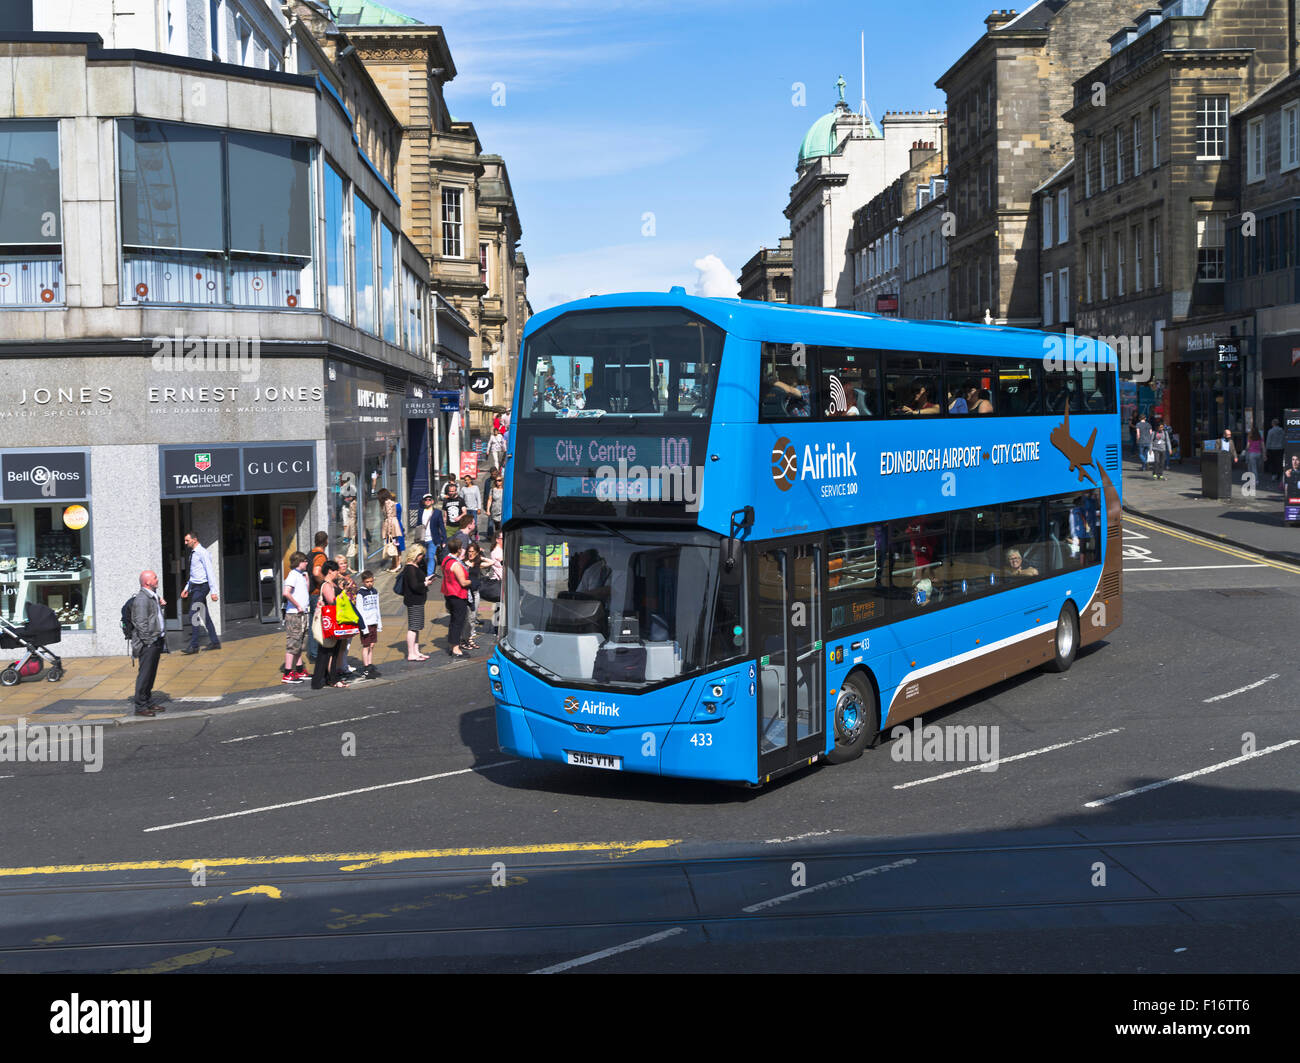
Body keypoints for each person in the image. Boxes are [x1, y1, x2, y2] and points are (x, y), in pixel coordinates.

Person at [130, 569, 168, 716]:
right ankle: (140, 706)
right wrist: (149, 641)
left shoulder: (152, 597)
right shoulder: (141, 599)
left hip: (156, 640)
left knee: (151, 674)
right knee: (145, 675)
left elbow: (153, 617)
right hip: (148, 644)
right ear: (147, 582)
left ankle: (148, 701)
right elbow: (140, 623)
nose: (157, 579)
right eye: (154, 577)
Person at [179, 531, 220, 654]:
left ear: (195, 540)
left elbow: (209, 572)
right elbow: (194, 575)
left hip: (203, 587)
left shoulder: (202, 553)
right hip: (195, 586)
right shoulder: (193, 553)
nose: (185, 543)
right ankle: (215, 642)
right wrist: (187, 588)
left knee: (192, 614)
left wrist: (214, 591)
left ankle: (194, 646)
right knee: (203, 614)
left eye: (187, 540)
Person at [311, 560, 348, 689]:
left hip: (333, 621)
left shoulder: (333, 583)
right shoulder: (326, 585)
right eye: (336, 570)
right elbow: (332, 601)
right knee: (327, 651)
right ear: (330, 571)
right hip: (328, 622)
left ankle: (329, 678)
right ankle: (328, 679)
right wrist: (343, 594)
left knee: (333, 650)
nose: (338, 572)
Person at [398, 543, 434, 660]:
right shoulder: (410, 568)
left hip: (417, 600)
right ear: (416, 554)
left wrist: (426, 579)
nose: (422, 558)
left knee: (416, 627)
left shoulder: (414, 566)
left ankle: (416, 651)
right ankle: (411, 653)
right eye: (421, 555)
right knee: (413, 627)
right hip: (413, 601)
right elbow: (414, 586)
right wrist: (425, 583)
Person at [281, 551, 311, 684]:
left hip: (303, 613)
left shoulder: (301, 575)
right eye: (305, 561)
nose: (307, 563)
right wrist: (298, 605)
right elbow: (286, 593)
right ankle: (288, 673)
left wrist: (307, 580)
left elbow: (305, 592)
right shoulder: (292, 575)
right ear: (299, 562)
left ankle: (299, 670)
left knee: (299, 643)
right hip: (295, 614)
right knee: (293, 643)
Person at [441, 534, 473, 657]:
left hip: (449, 594)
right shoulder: (456, 564)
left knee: (453, 622)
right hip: (458, 595)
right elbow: (463, 582)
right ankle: (456, 649)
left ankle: (452, 646)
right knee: (458, 622)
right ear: (459, 549)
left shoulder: (446, 560)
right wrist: (474, 582)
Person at [334, 554, 360, 680]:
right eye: (341, 564)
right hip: (344, 612)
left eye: (345, 563)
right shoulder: (338, 579)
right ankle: (341, 666)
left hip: (351, 609)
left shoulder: (347, 576)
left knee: (348, 640)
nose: (344, 565)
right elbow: (340, 595)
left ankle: (343, 664)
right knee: (343, 641)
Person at [355, 569, 382, 680]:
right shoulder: (361, 593)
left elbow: (377, 608)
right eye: (367, 582)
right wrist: (363, 627)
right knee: (366, 645)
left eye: (371, 581)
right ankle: (366, 667)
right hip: (366, 623)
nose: (369, 583)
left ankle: (370, 665)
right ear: (363, 582)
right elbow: (359, 610)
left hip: (373, 622)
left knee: (372, 645)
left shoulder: (375, 591)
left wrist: (379, 623)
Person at [306, 531, 329, 661]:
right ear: (326, 541)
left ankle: (312, 652)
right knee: (317, 624)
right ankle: (315, 654)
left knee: (312, 623)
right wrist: (325, 583)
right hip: (316, 593)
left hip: (309, 592)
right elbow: (316, 572)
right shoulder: (320, 556)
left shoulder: (311, 553)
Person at [463, 540, 485, 651]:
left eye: (473, 552)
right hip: (467, 594)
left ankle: (469, 638)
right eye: (469, 551)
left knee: (473, 617)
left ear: (476, 553)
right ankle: (466, 639)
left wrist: (481, 557)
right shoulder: (463, 562)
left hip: (476, 593)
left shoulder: (477, 563)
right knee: (467, 618)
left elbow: (491, 562)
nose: (470, 554)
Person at [378, 487, 401, 571]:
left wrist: (389, 531)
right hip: (391, 524)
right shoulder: (389, 502)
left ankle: (396, 565)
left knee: (394, 546)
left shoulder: (387, 503)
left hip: (391, 525)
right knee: (394, 546)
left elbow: (390, 516)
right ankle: (394, 564)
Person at [461, 474, 482, 541]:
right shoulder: (463, 489)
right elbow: (461, 499)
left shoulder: (475, 487)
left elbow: (478, 498)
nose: (466, 481)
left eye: (468, 480)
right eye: (465, 480)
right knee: (467, 524)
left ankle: (476, 533)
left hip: (474, 509)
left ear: (470, 480)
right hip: (467, 509)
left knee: (474, 523)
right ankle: (469, 537)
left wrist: (479, 508)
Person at [1266, 418, 1285, 484]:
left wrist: (1267, 448)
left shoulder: (1270, 431)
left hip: (1272, 449)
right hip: (1280, 448)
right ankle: (1279, 475)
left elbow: (1268, 441)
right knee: (1279, 462)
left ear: (1273, 423)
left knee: (1273, 462)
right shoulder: (1282, 431)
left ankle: (1274, 475)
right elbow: (1283, 439)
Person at [487, 473, 504, 541]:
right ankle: (498, 539)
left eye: (499, 480)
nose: (498, 482)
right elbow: (490, 499)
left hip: (502, 510)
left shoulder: (505, 489)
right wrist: (488, 510)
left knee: (501, 525)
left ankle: (502, 538)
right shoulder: (493, 489)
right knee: (497, 526)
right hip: (495, 510)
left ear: (502, 481)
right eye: (496, 480)